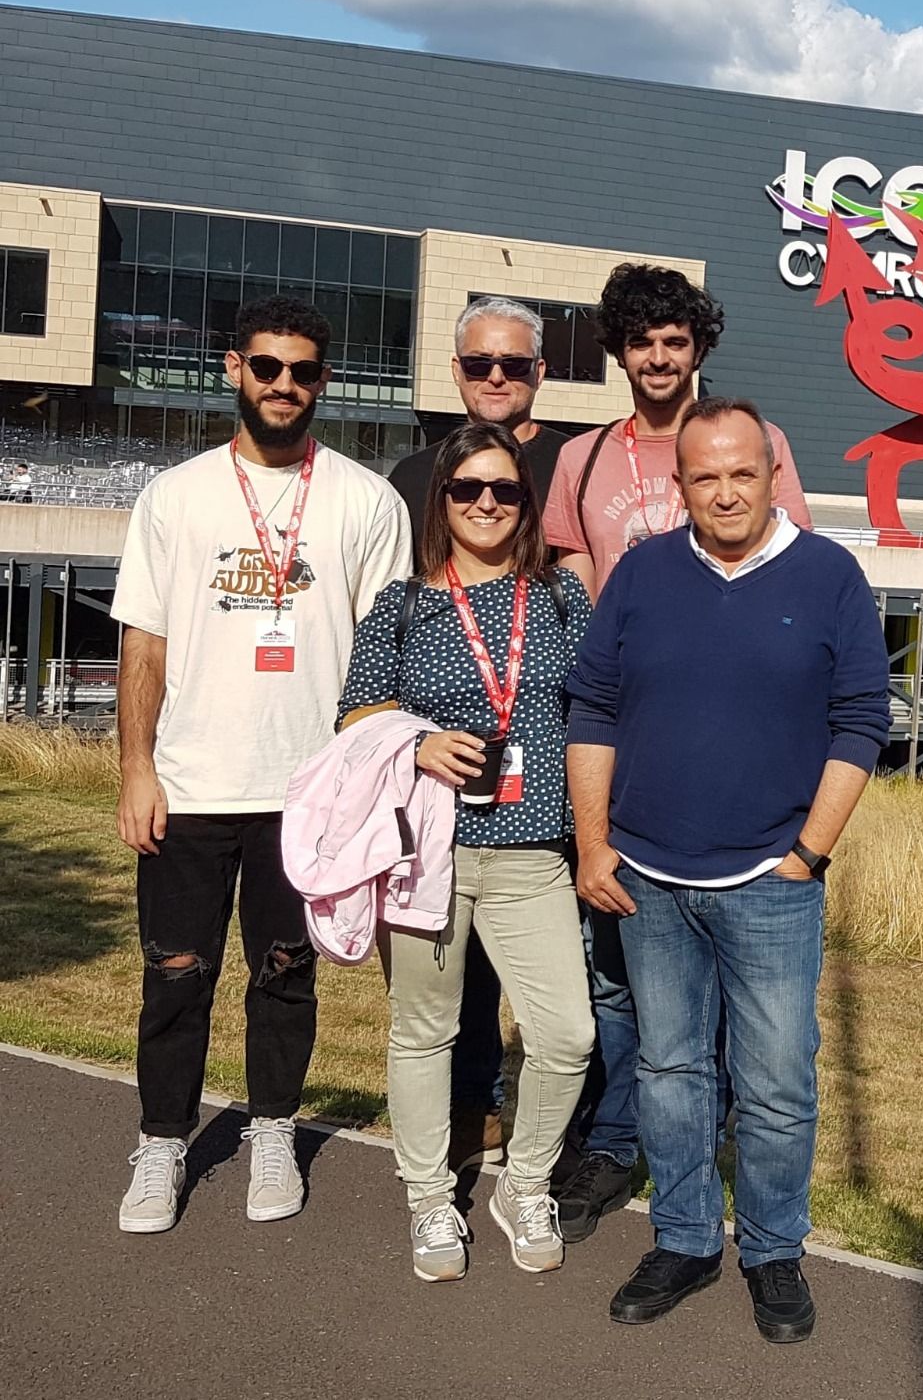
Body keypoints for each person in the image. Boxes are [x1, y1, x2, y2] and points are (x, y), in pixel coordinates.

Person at [566, 397, 889, 1342]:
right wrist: (592, 842)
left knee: (779, 1080)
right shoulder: (641, 573)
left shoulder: (830, 576)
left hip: (770, 883)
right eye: (704, 475)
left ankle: (774, 1249)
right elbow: (593, 708)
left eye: (742, 472)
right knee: (670, 1071)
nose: (725, 491)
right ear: (680, 484)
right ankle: (685, 1239)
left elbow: (862, 719)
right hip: (649, 879)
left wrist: (807, 853)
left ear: (773, 473)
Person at [112, 295, 411, 1234]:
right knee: (175, 973)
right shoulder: (176, 495)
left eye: (306, 370)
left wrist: (369, 790)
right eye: (269, 367)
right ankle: (163, 1144)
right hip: (192, 784)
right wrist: (135, 768)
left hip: (308, 793)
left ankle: (273, 1132)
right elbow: (143, 646)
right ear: (233, 367)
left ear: (327, 379)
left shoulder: (366, 499)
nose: (287, 385)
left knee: (286, 973)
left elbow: (385, 654)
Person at [542, 263, 814, 1243]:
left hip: (741, 762)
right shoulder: (580, 462)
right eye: (641, 340)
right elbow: (575, 604)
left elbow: (794, 586)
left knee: (746, 975)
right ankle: (619, 1141)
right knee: (617, 973)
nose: (659, 357)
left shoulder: (753, 441)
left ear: (698, 347)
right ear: (619, 351)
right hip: (629, 754)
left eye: (675, 339)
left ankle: (720, 1138)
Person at [338, 420, 594, 1283]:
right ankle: (427, 1200)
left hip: (533, 857)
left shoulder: (560, 598)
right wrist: (415, 744)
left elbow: (600, 712)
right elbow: (354, 715)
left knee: (565, 1034)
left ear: (526, 502)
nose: (486, 503)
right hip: (429, 854)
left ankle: (524, 1184)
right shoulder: (403, 605)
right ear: (441, 501)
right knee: (425, 1034)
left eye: (505, 489)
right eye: (467, 489)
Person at [387, 296, 571, 1171]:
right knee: (440, 1004)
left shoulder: (570, 462)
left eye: (515, 364)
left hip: (536, 818)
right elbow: (383, 654)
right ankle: (462, 1122)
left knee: (558, 1006)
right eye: (478, 364)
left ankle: (533, 1143)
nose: (496, 377)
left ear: (540, 371)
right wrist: (409, 736)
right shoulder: (411, 472)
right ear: (456, 372)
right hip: (440, 820)